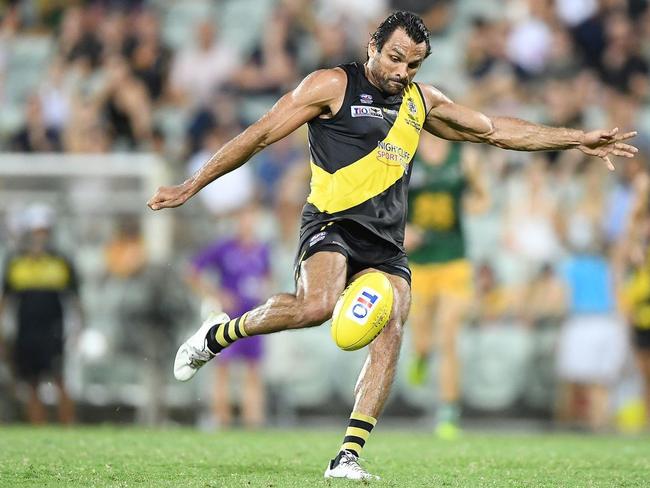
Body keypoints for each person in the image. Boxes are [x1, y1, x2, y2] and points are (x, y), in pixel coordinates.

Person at [148, 11, 638, 480]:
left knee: (395, 320)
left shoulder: (420, 102)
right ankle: (220, 333)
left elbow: (495, 130)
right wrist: (190, 185)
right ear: (373, 47)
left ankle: (347, 456)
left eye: (414, 64)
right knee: (315, 307)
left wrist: (575, 139)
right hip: (331, 224)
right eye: (396, 58)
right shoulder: (330, 86)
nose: (403, 72)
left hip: (386, 242)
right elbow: (256, 137)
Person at [404, 133, 488, 440]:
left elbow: (482, 198)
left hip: (454, 259)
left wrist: (472, 202)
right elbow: (386, 200)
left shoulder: (463, 158)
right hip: (419, 262)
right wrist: (404, 229)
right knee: (424, 338)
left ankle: (449, 411)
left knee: (448, 334)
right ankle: (421, 356)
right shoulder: (406, 153)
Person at [186, 204, 270, 429]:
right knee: (223, 368)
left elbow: (268, 276)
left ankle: (253, 422)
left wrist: (265, 292)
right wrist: (216, 294)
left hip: (255, 318)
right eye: (244, 218)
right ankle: (220, 419)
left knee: (253, 369)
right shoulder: (224, 248)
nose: (248, 223)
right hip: (229, 318)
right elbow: (192, 271)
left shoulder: (261, 250)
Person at [0, 204, 83, 424]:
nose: (40, 237)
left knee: (59, 380)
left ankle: (68, 426)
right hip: (26, 331)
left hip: (53, 330)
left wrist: (79, 330)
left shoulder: (60, 261)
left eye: (44, 232)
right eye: (36, 232)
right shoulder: (15, 262)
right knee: (31, 382)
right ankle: (39, 429)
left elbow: (75, 299)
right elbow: (5, 300)